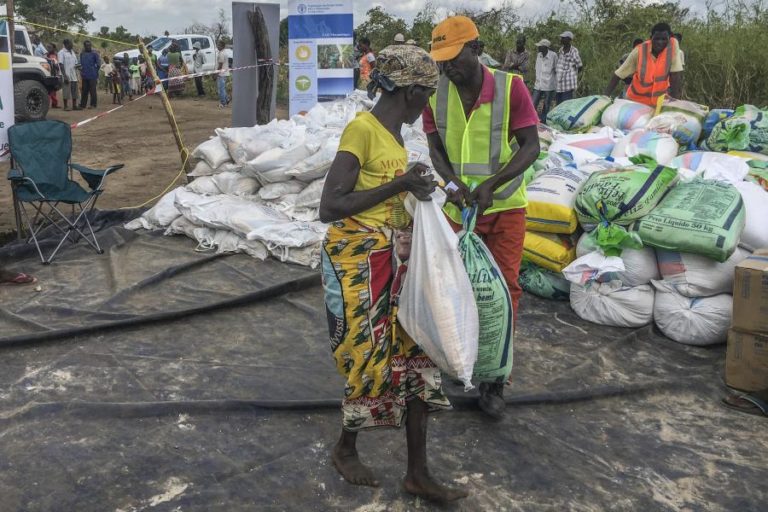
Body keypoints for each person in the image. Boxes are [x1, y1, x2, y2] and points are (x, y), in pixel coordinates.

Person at [318, 43, 468, 504]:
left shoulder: (396, 135)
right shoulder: (362, 130)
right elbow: (331, 205)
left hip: (395, 260)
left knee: (418, 354)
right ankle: (346, 449)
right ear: (410, 91)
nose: (427, 103)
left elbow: (389, 193)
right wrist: (400, 183)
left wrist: (425, 189)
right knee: (368, 360)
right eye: (427, 94)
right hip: (358, 263)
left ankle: (417, 472)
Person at [424, 16, 540, 419]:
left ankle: (494, 379)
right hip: (459, 208)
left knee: (503, 290)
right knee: (453, 287)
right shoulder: (436, 93)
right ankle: (458, 361)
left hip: (504, 207)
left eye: (453, 58)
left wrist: (493, 184)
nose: (446, 68)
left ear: (476, 49)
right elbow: (435, 149)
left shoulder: (511, 88)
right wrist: (452, 183)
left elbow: (530, 146)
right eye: (441, 60)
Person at [604, 23, 683, 106]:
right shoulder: (639, 51)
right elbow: (619, 74)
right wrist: (604, 97)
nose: (660, 42)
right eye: (656, 39)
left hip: (658, 103)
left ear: (669, 38)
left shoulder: (672, 47)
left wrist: (676, 104)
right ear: (651, 38)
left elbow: (675, 76)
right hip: (635, 102)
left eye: (664, 39)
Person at [531, 39, 558, 122]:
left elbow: (556, 69)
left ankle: (543, 121)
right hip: (538, 84)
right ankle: (532, 119)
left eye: (540, 46)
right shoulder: (539, 55)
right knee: (533, 103)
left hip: (548, 84)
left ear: (545, 47)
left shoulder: (553, 56)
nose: (538, 47)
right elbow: (537, 68)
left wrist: (556, 83)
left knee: (546, 105)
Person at [555, 30, 583, 103]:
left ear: (569, 39)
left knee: (566, 104)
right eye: (561, 38)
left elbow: (580, 65)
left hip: (568, 83)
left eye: (563, 38)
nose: (561, 39)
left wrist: (573, 74)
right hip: (560, 83)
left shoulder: (573, 51)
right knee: (559, 104)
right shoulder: (561, 50)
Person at [58, 39, 80, 111]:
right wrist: (64, 76)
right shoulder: (61, 52)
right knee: (66, 91)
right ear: (66, 44)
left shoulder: (72, 52)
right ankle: (65, 106)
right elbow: (61, 64)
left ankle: (74, 106)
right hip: (66, 74)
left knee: (75, 91)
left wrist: (78, 66)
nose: (72, 45)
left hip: (73, 74)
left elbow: (76, 63)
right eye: (71, 43)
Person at [79, 40, 100, 109]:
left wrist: (95, 71)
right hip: (84, 75)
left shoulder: (95, 54)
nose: (88, 47)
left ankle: (93, 104)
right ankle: (83, 104)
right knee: (84, 91)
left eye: (89, 45)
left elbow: (98, 64)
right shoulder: (82, 54)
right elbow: (80, 64)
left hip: (92, 75)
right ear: (84, 46)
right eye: (87, 45)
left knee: (92, 91)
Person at [215, 40, 230, 107]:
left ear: (222, 46)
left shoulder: (221, 54)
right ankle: (226, 99)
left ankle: (223, 103)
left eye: (219, 45)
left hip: (221, 74)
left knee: (221, 89)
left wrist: (216, 74)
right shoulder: (223, 52)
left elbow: (220, 65)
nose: (217, 46)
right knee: (222, 88)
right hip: (224, 73)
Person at [46, 44, 60, 109]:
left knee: (53, 89)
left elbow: (57, 65)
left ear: (54, 48)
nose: (48, 49)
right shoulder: (46, 55)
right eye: (48, 47)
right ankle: (49, 104)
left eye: (50, 47)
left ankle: (54, 104)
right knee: (49, 90)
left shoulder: (56, 54)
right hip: (49, 73)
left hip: (54, 74)